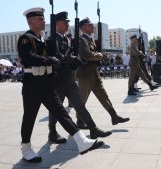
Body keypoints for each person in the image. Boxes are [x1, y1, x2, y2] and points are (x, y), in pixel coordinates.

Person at [17, 8, 103, 163]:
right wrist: (50, 60)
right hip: (32, 84)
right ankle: (26, 148)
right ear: (30, 22)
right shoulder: (25, 39)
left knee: (61, 112)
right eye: (40, 19)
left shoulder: (43, 40)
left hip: (46, 82)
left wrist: (66, 61)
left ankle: (81, 141)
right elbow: (29, 58)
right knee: (30, 116)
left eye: (43, 18)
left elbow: (57, 58)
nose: (43, 21)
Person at [46, 11, 111, 143]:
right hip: (57, 80)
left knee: (79, 104)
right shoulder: (51, 40)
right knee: (55, 108)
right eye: (64, 22)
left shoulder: (67, 39)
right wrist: (71, 59)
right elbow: (57, 58)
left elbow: (71, 56)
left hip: (69, 78)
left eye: (67, 22)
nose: (67, 25)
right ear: (57, 24)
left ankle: (93, 128)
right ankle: (52, 132)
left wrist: (77, 61)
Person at [76, 17, 130, 126]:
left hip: (94, 73)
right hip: (85, 74)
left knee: (103, 95)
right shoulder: (81, 40)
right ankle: (80, 121)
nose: (93, 27)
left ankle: (114, 116)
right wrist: (100, 56)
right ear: (84, 27)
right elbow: (86, 55)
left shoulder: (90, 40)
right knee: (82, 99)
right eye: (90, 25)